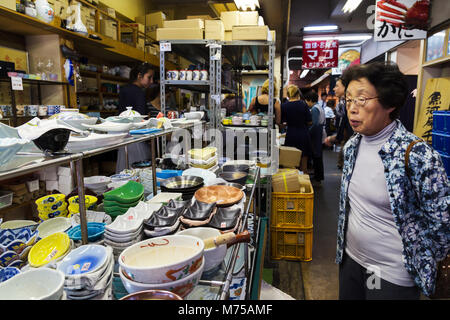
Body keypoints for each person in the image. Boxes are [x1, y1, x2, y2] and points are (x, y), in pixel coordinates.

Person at [336, 61, 449, 300]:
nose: (352, 108)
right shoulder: (352, 147)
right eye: (348, 100)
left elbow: (442, 224)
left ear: (390, 104)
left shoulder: (417, 155)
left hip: (389, 271)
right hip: (350, 260)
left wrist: (420, 261)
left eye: (362, 100)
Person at [116, 63, 156, 173]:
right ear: (139, 76)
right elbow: (142, 117)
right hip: (136, 136)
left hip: (123, 136)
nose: (151, 81)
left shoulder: (124, 89)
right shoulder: (139, 92)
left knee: (125, 169)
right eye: (149, 77)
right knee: (139, 170)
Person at [281, 84, 312, 173]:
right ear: (298, 94)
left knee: (290, 164)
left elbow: (282, 122)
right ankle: (304, 183)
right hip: (303, 135)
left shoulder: (284, 106)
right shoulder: (303, 104)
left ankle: (292, 183)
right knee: (304, 164)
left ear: (288, 94)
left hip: (291, 135)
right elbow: (310, 121)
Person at [324, 77, 353, 169]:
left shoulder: (347, 104)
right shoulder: (342, 104)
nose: (333, 89)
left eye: (337, 86)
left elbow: (346, 125)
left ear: (346, 88)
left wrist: (337, 137)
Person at [304, 90, 325, 186]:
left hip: (316, 133)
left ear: (310, 100)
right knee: (317, 155)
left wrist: (308, 132)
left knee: (317, 155)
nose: (306, 104)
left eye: (306, 101)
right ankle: (318, 177)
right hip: (319, 132)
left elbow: (315, 124)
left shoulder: (314, 109)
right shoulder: (318, 107)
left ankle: (318, 178)